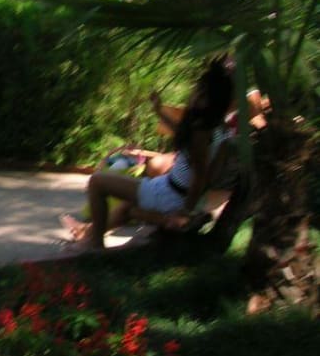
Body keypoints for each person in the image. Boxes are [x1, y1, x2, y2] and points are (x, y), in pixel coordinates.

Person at [63, 58, 235, 249]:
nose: (193, 94)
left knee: (97, 182)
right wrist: (159, 110)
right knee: (125, 208)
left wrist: (185, 212)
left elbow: (200, 177)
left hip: (172, 195)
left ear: (206, 98)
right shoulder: (219, 130)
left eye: (198, 90)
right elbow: (207, 168)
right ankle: (87, 232)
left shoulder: (200, 133)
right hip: (176, 191)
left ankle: (94, 242)